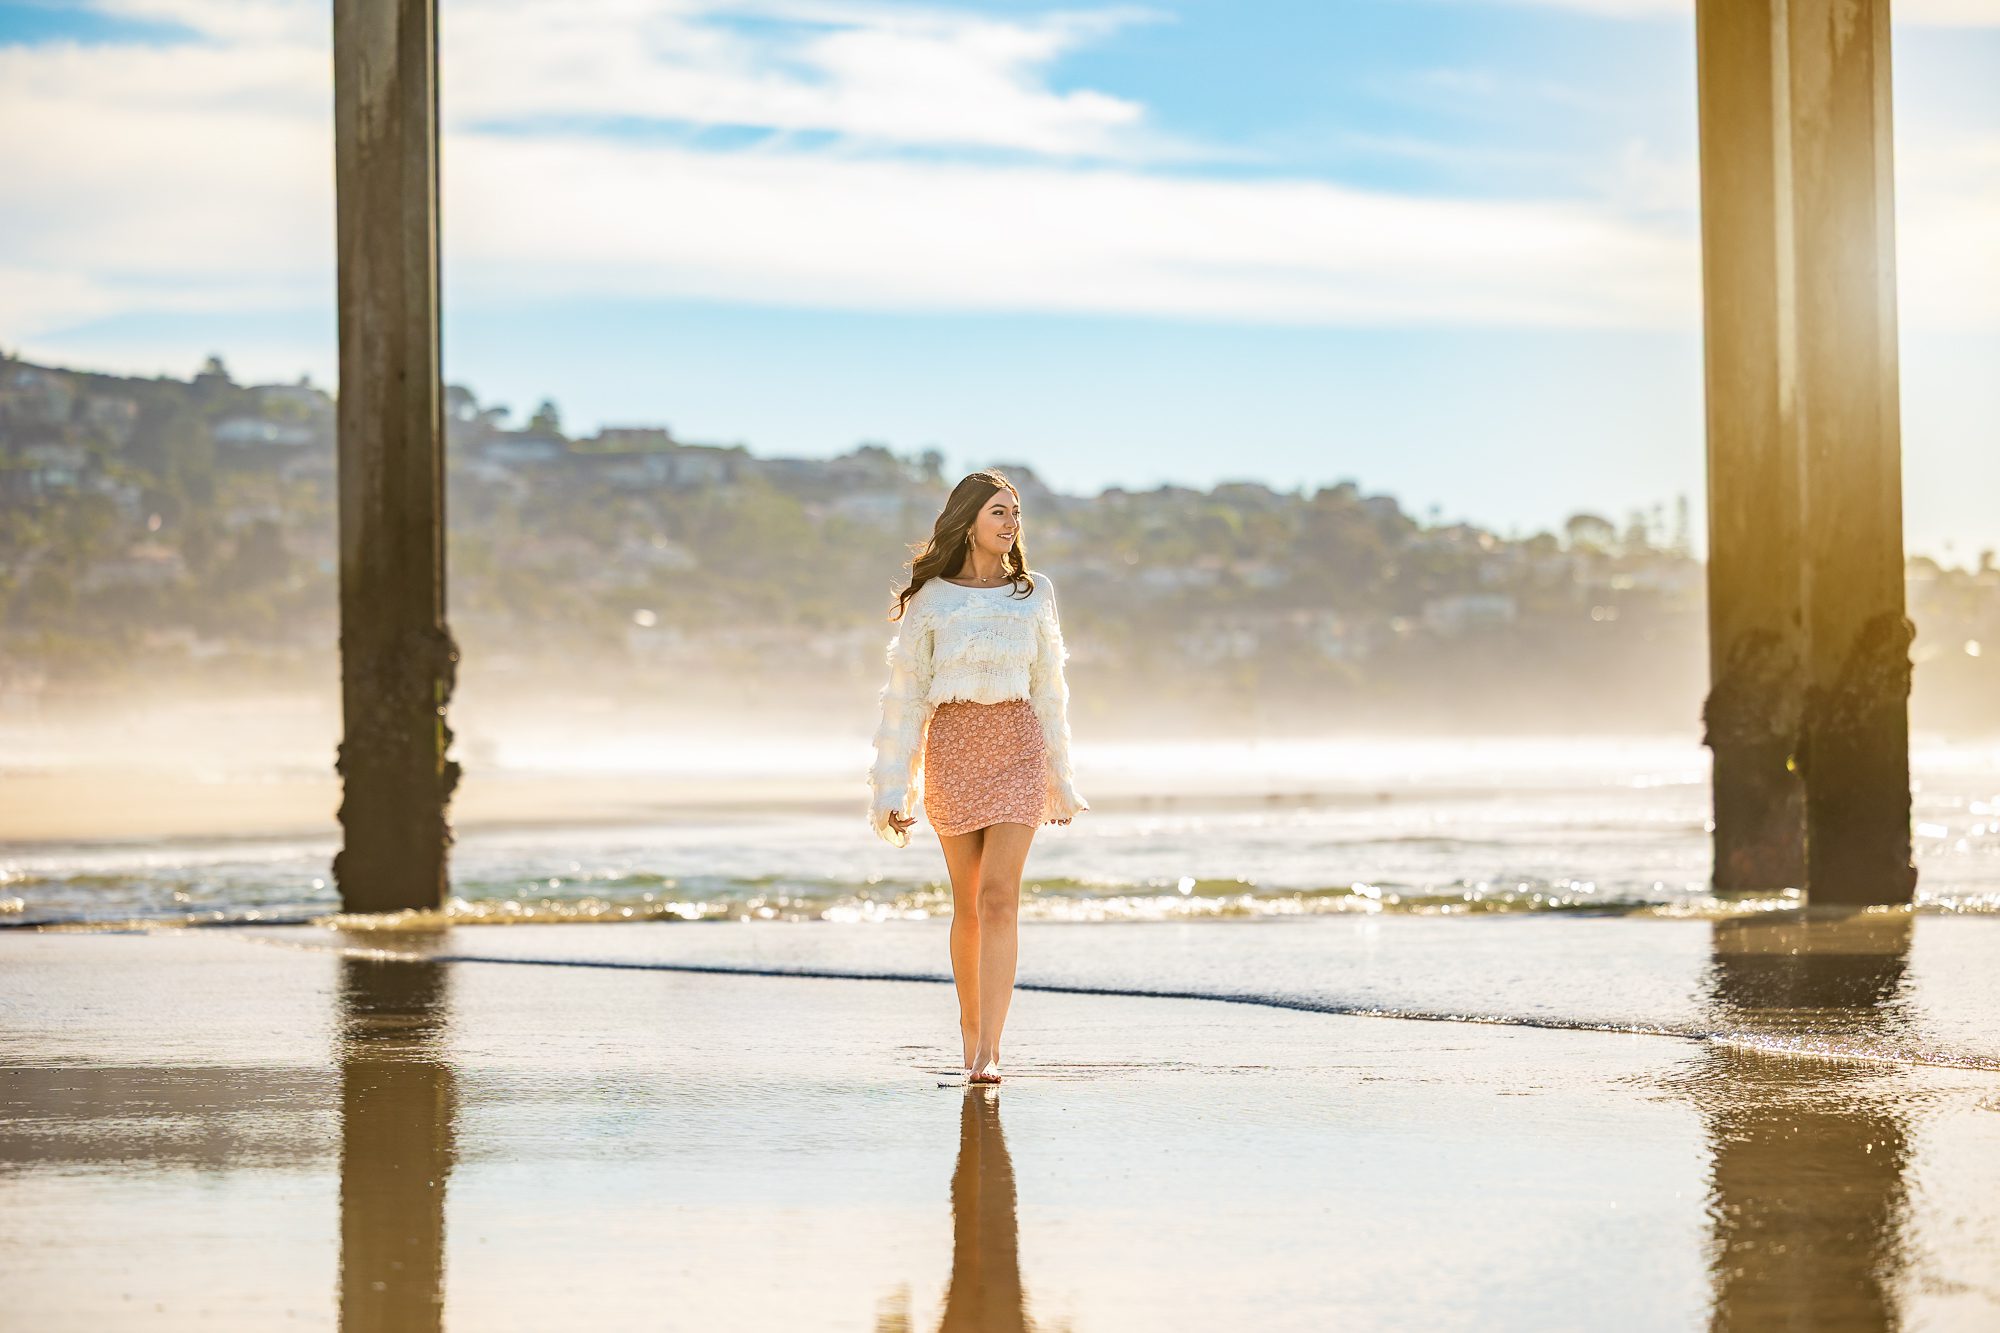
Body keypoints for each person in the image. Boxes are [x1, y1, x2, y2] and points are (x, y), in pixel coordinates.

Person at [868, 470, 1088, 1085]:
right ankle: (969, 1034)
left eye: (1015, 511)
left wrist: (1059, 779)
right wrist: (891, 789)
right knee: (966, 905)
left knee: (998, 897)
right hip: (954, 748)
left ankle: (992, 1047)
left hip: (1018, 743)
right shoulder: (932, 599)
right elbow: (906, 696)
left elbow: (1051, 687)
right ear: (968, 521)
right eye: (998, 511)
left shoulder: (1035, 592)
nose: (1011, 521)